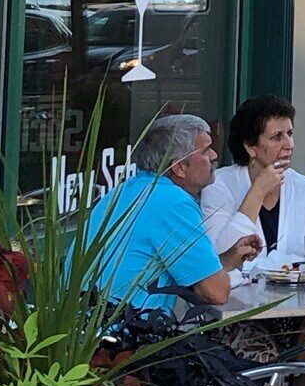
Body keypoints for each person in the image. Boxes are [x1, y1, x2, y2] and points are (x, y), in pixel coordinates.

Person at [88, 114, 262, 313]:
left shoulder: (128, 190)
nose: (214, 155)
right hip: (123, 335)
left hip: (82, 331)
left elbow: (199, 278)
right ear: (179, 167)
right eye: (205, 151)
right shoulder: (173, 203)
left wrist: (227, 261)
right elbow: (216, 293)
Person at [202, 94, 305, 267]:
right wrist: (257, 192)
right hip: (235, 292)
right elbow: (220, 257)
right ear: (250, 147)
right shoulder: (219, 185)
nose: (289, 144)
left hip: (295, 292)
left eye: (290, 134)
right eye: (277, 137)